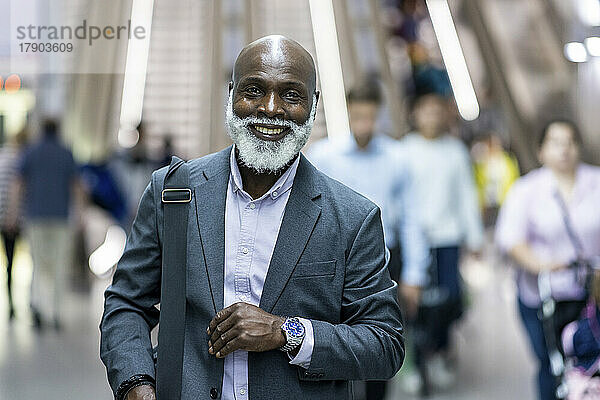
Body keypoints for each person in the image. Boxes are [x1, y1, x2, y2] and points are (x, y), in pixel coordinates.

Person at [100, 35, 405, 400]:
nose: (271, 109)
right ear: (231, 95)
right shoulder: (174, 193)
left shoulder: (352, 218)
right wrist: (136, 383)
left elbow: (385, 344)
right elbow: (126, 304)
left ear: (314, 104)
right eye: (254, 90)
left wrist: (286, 332)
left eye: (291, 95)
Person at [307, 79, 429, 400]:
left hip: (383, 261)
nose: (364, 124)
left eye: (370, 117)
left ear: (379, 114)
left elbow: (412, 218)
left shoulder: (397, 158)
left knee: (380, 341)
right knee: (336, 342)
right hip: (335, 261)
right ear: (348, 113)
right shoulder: (324, 156)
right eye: (358, 116)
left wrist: (415, 274)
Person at [496, 119, 600, 400]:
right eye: (555, 143)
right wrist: (540, 264)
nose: (564, 149)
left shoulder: (596, 182)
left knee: (591, 360)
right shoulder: (526, 190)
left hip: (591, 295)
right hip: (542, 297)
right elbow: (510, 240)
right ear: (541, 150)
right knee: (551, 362)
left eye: (570, 142)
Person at [398, 94, 484, 390]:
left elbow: (466, 195)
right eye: (426, 111)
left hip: (448, 238)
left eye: (437, 112)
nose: (432, 117)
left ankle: (439, 351)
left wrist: (474, 237)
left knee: (449, 301)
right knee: (413, 305)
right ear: (415, 114)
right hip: (413, 240)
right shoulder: (403, 151)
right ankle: (413, 362)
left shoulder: (456, 152)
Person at [6, 119, 83, 330]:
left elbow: (18, 184)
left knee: (37, 263)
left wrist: (13, 213)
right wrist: (81, 214)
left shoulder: (31, 152)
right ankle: (56, 311)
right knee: (59, 264)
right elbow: (76, 185)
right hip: (60, 217)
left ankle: (37, 305)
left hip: (36, 215)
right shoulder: (66, 153)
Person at [0, 127, 28, 319]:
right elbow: (15, 191)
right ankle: (12, 304)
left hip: (4, 214)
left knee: (9, 261)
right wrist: (12, 216)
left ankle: (11, 303)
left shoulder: (3, 156)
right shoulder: (19, 160)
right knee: (11, 260)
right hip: (12, 216)